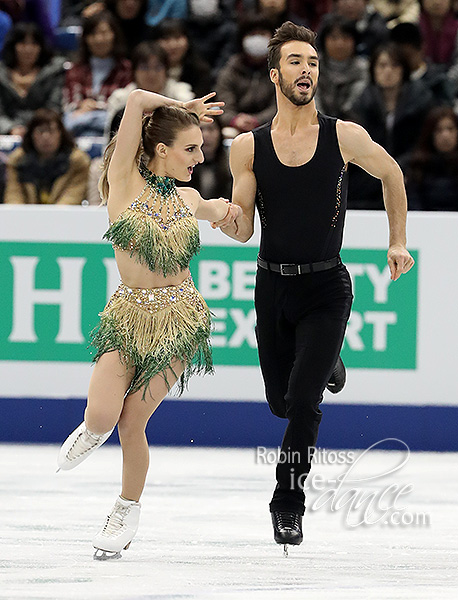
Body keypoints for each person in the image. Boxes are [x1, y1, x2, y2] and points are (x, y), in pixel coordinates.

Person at [214, 21, 414, 554]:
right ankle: (327, 366)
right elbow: (244, 229)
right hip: (271, 287)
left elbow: (392, 175)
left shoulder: (342, 136)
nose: (308, 71)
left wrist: (397, 241)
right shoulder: (248, 147)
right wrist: (214, 214)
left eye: (314, 63)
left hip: (327, 286)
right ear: (275, 74)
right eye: (297, 63)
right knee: (281, 403)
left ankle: (287, 503)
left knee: (303, 402)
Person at [56, 88, 242, 559]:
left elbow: (223, 212)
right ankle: (91, 429)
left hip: (180, 320)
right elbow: (136, 99)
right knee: (101, 417)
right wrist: (187, 108)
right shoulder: (123, 181)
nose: (200, 156)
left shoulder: (188, 197)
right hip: (128, 315)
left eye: (201, 147)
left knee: (132, 421)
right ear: (161, 150)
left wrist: (231, 212)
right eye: (191, 147)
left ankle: (125, 509)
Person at [348, 42, 434, 209]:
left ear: (404, 69)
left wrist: (398, 168)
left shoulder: (421, 101)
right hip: (370, 174)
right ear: (373, 69)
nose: (388, 71)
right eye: (382, 65)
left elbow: (423, 142)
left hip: (410, 171)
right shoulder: (361, 103)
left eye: (394, 66)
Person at [63, 10, 132, 136]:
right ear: (85, 38)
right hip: (78, 133)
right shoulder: (74, 69)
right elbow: (70, 113)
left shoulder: (126, 69)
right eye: (93, 34)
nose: (99, 39)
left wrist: (93, 109)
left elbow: (123, 110)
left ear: (114, 35)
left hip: (116, 132)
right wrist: (88, 110)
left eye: (104, 33)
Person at [4, 108, 91, 205]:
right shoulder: (17, 160)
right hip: (25, 217)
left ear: (60, 134)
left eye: (51, 131)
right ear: (31, 135)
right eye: (40, 131)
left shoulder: (78, 161)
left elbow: (73, 196)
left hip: (63, 217)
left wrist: (51, 216)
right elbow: (13, 195)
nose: (46, 137)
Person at [0, 21, 65, 136]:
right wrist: (11, 128)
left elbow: (54, 107)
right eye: (23, 43)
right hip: (6, 134)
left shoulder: (53, 72)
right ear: (13, 46)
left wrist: (37, 129)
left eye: (34, 44)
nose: (28, 49)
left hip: (45, 133)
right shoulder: (2, 74)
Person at [216, 14, 276, 134]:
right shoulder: (231, 69)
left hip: (271, 125)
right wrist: (235, 120)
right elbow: (223, 105)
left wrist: (257, 120)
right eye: (252, 35)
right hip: (235, 126)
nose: (257, 39)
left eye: (262, 34)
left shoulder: (279, 69)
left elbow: (280, 106)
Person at [403, 106, 458, 211]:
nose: (445, 135)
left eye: (450, 129)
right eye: (439, 130)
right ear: (430, 134)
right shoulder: (417, 166)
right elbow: (413, 203)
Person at [315, 14, 368, 121]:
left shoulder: (364, 69)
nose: (339, 44)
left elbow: (355, 105)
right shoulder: (313, 66)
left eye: (345, 38)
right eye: (334, 38)